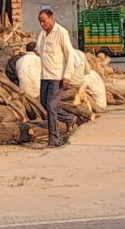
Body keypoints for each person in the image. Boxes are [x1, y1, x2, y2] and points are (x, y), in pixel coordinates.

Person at [36, 9, 75, 148]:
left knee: (52, 106)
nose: (42, 24)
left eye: (44, 20)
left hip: (57, 76)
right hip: (44, 76)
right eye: (40, 21)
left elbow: (70, 55)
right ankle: (69, 118)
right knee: (45, 104)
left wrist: (67, 76)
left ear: (51, 18)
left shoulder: (61, 33)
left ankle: (54, 139)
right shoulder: (42, 35)